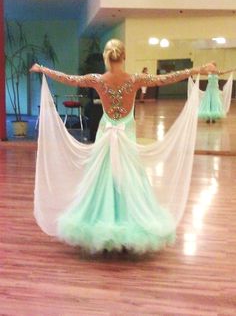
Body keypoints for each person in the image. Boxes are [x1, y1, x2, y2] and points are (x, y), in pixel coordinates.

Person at [30, 38, 217, 254]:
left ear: (106, 58)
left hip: (106, 132)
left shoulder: (98, 79)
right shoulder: (135, 79)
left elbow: (70, 79)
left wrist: (42, 68)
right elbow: (167, 78)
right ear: (124, 56)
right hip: (126, 134)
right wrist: (200, 69)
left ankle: (101, 228)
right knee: (130, 177)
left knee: (102, 177)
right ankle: (130, 227)